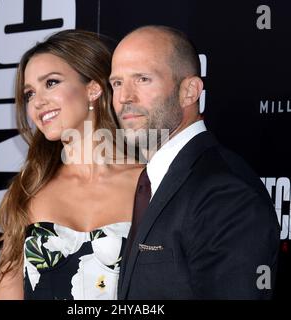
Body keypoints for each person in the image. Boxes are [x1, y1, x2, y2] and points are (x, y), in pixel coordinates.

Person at [109, 25, 280, 299]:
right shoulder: (156, 178)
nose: (124, 97)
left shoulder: (225, 193)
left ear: (189, 91)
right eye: (117, 83)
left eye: (142, 79)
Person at [0, 29, 143, 300]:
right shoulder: (28, 189)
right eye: (29, 94)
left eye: (51, 83)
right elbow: (8, 292)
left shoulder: (150, 182)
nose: (37, 102)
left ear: (93, 88)